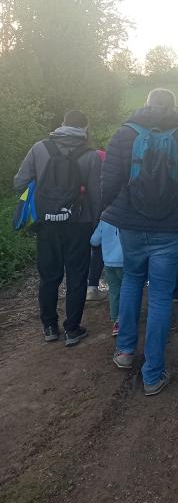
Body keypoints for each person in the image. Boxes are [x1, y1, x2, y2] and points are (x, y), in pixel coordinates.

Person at [102, 88, 178, 396]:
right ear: (174, 108)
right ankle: (153, 373)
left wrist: (106, 212)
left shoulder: (124, 133)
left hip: (132, 225)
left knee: (133, 281)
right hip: (173, 229)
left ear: (147, 105)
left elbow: (108, 181)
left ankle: (124, 351)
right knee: (161, 295)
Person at [14, 110, 102, 345]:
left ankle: (50, 327)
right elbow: (97, 196)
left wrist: (43, 191)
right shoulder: (92, 156)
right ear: (86, 128)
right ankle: (72, 329)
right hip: (79, 224)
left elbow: (19, 182)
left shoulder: (40, 148)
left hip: (46, 223)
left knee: (49, 276)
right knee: (76, 276)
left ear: (62, 124)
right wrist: (96, 225)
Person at [90, 220, 123, 336]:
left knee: (114, 293)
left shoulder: (105, 218)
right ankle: (128, 319)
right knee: (129, 292)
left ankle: (116, 323)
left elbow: (94, 241)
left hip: (109, 263)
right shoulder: (129, 214)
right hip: (126, 263)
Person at [87, 148, 107, 302]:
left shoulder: (82, 173)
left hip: (81, 219)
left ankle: (90, 287)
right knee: (99, 251)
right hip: (100, 217)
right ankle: (93, 287)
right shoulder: (104, 179)